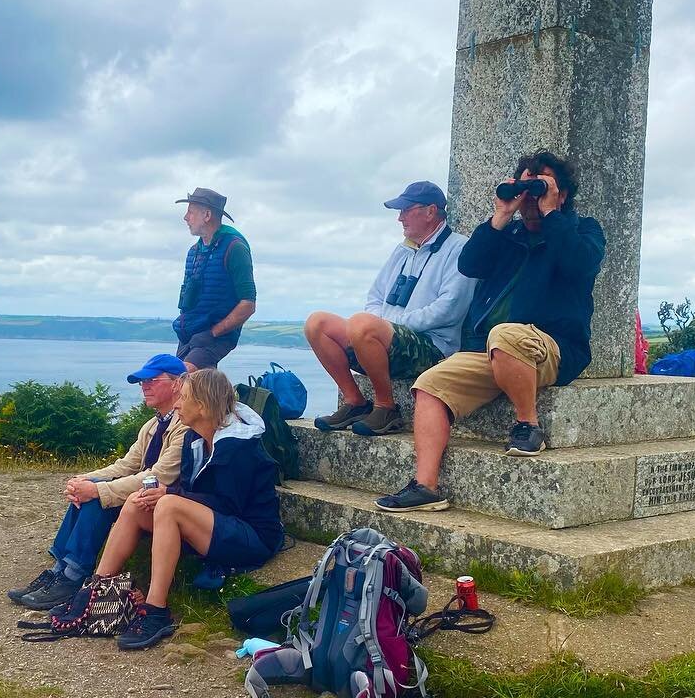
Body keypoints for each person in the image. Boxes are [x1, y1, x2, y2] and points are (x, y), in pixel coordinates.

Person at [377, 150, 605, 511]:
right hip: (496, 349)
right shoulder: (508, 235)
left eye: (540, 186)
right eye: (526, 186)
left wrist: (550, 214)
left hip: (553, 347)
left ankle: (528, 426)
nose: (530, 196)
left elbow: (581, 265)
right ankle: (425, 486)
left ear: (562, 194)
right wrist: (501, 215)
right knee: (430, 385)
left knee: (505, 334)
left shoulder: (582, 230)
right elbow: (470, 264)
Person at [67, 368, 284, 651]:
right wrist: (161, 495)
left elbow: (230, 507)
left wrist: (170, 495)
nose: (177, 403)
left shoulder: (240, 449)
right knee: (136, 501)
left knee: (168, 504)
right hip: (213, 527)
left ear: (203, 406)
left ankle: (156, 610)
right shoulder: (194, 438)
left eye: (183, 398)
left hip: (252, 537)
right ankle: (99, 592)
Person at [6, 353, 189, 608]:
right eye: (141, 382)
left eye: (151, 380)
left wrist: (97, 489)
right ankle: (60, 570)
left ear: (177, 384)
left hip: (168, 497)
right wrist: (85, 480)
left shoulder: (185, 425)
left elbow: (158, 477)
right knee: (88, 493)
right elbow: (126, 465)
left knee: (97, 498)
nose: (144, 387)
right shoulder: (152, 425)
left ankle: (73, 577)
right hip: (148, 494)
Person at [306, 181, 473, 436]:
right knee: (317, 323)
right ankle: (355, 402)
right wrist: (380, 326)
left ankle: (386, 407)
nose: (400, 218)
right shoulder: (403, 250)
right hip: (388, 337)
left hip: (434, 347)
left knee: (364, 325)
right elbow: (375, 297)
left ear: (430, 211)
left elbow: (450, 309)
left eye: (406, 210)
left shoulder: (460, 249)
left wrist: (389, 326)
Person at [173, 187, 256, 370]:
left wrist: (212, 333)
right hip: (191, 334)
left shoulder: (235, 248)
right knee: (169, 380)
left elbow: (248, 304)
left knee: (183, 377)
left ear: (207, 215)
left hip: (216, 335)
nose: (186, 218)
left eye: (191, 212)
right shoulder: (194, 252)